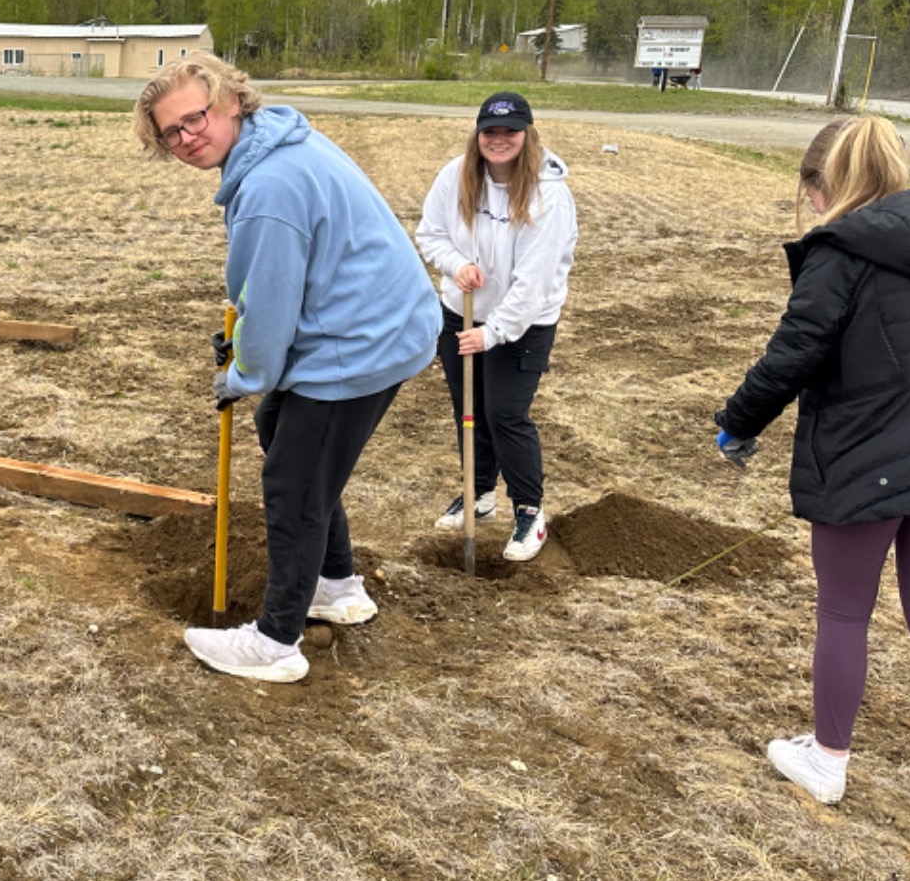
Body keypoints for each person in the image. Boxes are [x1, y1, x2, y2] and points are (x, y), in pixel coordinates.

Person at [134, 54, 438, 685]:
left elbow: (269, 312)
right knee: (286, 433)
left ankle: (276, 639)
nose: (189, 137)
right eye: (172, 132)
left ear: (232, 102)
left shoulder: (269, 187)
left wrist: (241, 374)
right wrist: (252, 358)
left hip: (360, 341)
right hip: (385, 325)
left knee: (292, 483)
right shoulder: (281, 144)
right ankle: (336, 585)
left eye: (197, 117)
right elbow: (276, 291)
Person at [715, 116, 910, 805]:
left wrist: (738, 424)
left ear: (824, 182)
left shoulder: (839, 249)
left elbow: (793, 353)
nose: (808, 203)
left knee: (844, 612)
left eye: (808, 188)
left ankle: (826, 761)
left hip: (866, 453)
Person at [414, 92, 578, 563]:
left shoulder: (550, 196)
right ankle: (478, 492)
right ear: (478, 134)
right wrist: (457, 263)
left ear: (527, 134)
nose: (499, 140)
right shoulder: (456, 175)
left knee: (505, 413)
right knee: (470, 407)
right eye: (490, 131)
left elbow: (534, 281)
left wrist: (494, 333)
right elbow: (430, 234)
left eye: (510, 131)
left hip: (522, 323)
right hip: (461, 311)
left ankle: (529, 510)